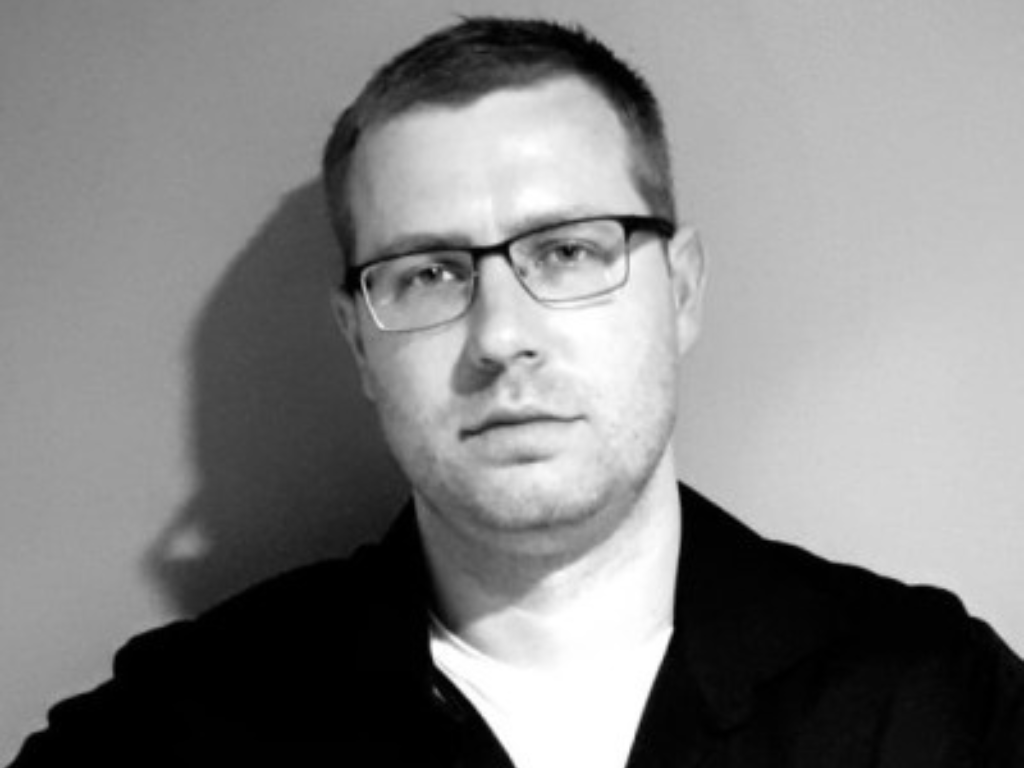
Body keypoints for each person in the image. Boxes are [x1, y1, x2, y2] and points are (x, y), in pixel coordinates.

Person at [11, 16, 1024, 768]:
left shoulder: (933, 702)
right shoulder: (184, 726)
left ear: (679, 292)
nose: (501, 336)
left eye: (569, 251)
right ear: (359, 344)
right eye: (427, 273)